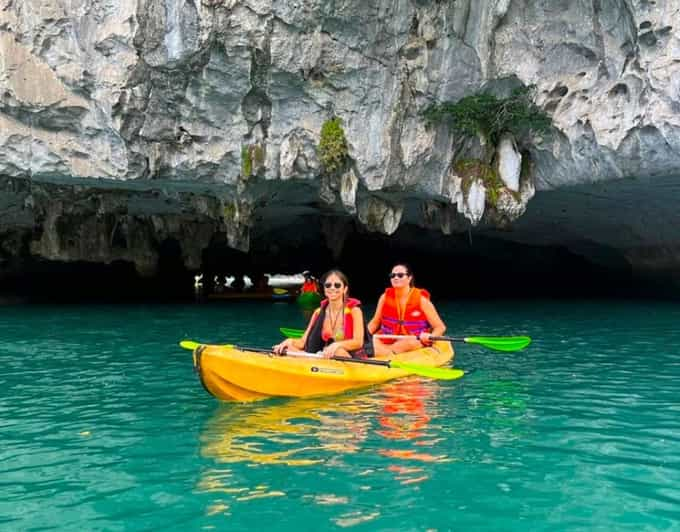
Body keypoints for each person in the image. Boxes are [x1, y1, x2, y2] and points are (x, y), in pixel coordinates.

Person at [273, 269, 371, 358]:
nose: (332, 288)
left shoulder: (354, 311)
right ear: (324, 289)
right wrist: (290, 341)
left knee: (338, 351)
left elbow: (358, 342)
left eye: (337, 285)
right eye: (328, 285)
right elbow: (303, 342)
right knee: (288, 348)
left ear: (345, 289)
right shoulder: (318, 312)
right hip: (325, 356)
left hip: (351, 358)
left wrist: (337, 345)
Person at [367, 263, 446, 356]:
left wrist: (431, 336)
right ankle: (385, 351)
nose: (396, 278)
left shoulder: (421, 300)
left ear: (409, 278)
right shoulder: (384, 297)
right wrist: (364, 336)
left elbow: (440, 327)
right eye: (392, 276)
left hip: (411, 342)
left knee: (410, 342)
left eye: (400, 275)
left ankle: (384, 352)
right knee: (371, 342)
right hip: (387, 339)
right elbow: (375, 322)